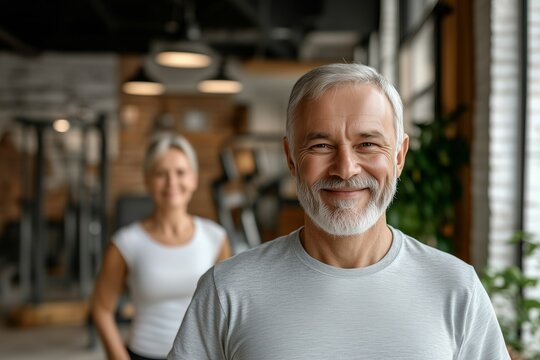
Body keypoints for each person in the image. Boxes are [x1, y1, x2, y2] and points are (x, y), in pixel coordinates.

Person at [168, 64, 510, 359]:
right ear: (290, 157)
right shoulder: (228, 289)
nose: (345, 169)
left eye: (368, 144)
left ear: (400, 156)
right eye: (321, 145)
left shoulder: (455, 287)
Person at [91, 133, 231, 360]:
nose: (172, 182)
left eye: (180, 173)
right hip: (143, 353)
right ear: (147, 180)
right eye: (160, 174)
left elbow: (227, 307)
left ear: (194, 179)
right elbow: (101, 309)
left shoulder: (215, 237)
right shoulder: (126, 242)